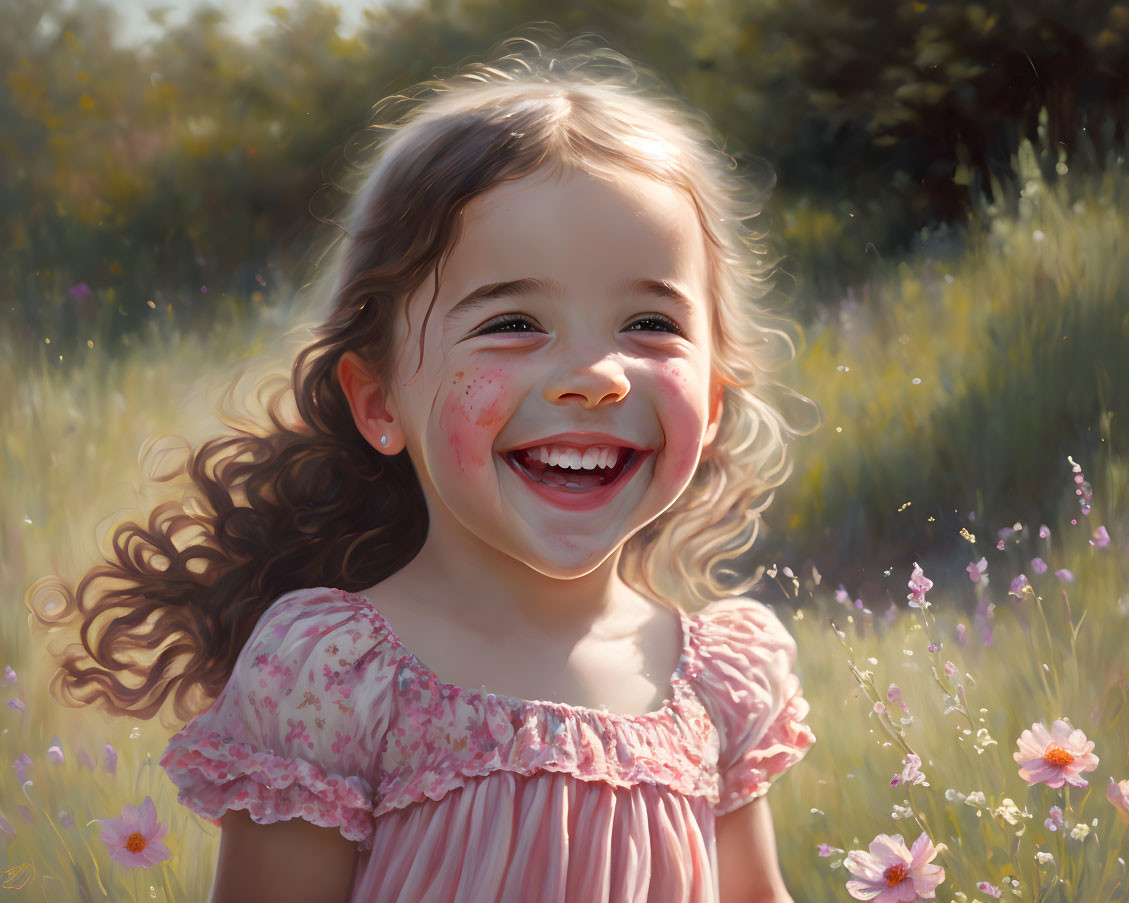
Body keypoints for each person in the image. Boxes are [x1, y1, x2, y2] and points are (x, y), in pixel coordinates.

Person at [34, 31, 816, 903]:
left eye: (649, 325)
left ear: (709, 401)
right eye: (513, 323)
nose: (597, 377)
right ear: (379, 402)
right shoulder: (333, 675)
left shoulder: (716, 677)